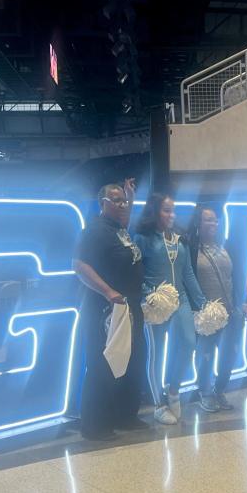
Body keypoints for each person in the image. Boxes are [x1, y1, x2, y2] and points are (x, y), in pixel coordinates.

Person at [73, 179, 148, 441]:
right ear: (102, 204)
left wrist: (131, 198)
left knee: (134, 360)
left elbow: (125, 219)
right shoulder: (95, 230)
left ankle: (125, 416)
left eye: (123, 201)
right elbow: (80, 265)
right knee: (102, 364)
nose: (121, 205)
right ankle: (95, 425)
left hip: (130, 307)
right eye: (115, 200)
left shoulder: (119, 228)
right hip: (106, 310)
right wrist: (108, 291)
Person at [134, 194, 206, 424]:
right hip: (156, 303)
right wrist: (148, 295)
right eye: (166, 210)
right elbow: (136, 272)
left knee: (189, 342)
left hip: (180, 298)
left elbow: (188, 274)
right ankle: (158, 404)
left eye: (173, 210)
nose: (171, 215)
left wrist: (202, 302)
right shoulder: (143, 238)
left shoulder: (180, 239)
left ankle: (173, 389)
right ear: (155, 212)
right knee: (157, 354)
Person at [186, 205, 247, 412]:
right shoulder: (191, 248)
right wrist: (199, 306)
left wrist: (243, 301)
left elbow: (237, 276)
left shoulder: (226, 246)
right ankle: (205, 393)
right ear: (198, 223)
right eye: (208, 220)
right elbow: (188, 279)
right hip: (207, 314)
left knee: (230, 353)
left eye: (215, 220)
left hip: (232, 311)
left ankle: (219, 389)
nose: (213, 223)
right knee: (205, 354)